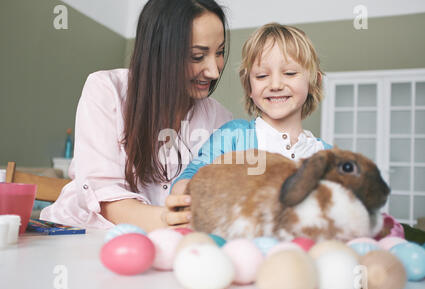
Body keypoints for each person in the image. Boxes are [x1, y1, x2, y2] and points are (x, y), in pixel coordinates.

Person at [40, 0, 233, 231]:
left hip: (168, 243)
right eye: (197, 56)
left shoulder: (222, 121)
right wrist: (170, 221)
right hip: (78, 236)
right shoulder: (106, 90)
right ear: (159, 52)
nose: (214, 71)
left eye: (219, 52)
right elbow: (106, 198)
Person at [171, 23, 332, 194]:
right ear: (249, 87)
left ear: (314, 81)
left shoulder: (327, 156)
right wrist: (184, 191)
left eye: (290, 73)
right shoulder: (234, 136)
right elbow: (191, 176)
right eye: (262, 76)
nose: (275, 85)